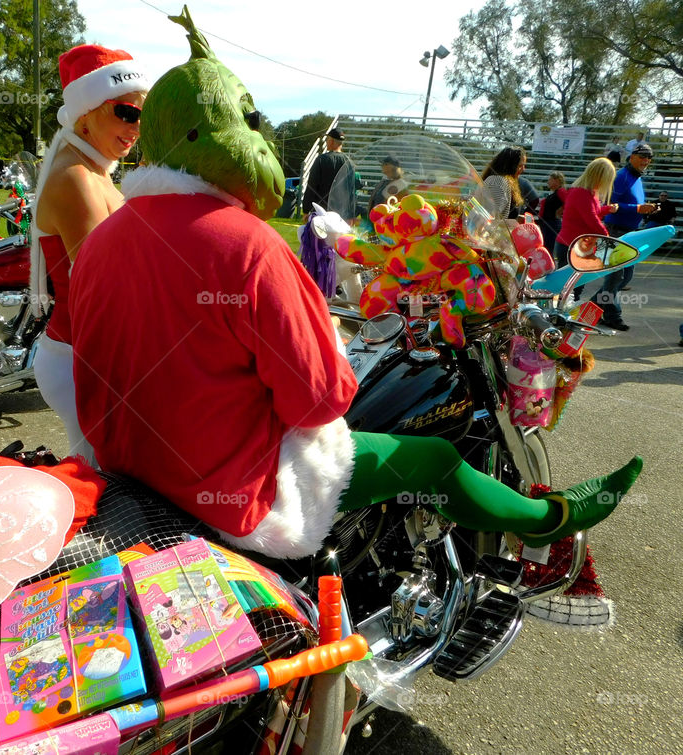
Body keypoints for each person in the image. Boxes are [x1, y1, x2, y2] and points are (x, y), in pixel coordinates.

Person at [69, 9, 641, 561]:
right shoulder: (247, 243)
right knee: (434, 460)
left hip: (124, 463)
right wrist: (333, 345)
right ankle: (553, 517)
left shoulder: (105, 235)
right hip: (231, 489)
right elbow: (320, 399)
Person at [29, 44, 149, 463]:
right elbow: (109, 286)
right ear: (86, 110)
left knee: (105, 476)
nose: (136, 127)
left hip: (85, 353)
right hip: (81, 358)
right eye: (126, 112)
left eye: (142, 116)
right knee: (104, 482)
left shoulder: (93, 171)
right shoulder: (76, 177)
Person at [593, 143, 658, 327]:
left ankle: (592, 307)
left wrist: (643, 209)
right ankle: (613, 316)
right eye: (642, 156)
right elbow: (609, 204)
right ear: (631, 157)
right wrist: (637, 208)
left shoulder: (637, 178)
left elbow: (630, 203)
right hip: (615, 230)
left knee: (625, 276)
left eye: (649, 158)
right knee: (616, 277)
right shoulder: (621, 177)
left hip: (629, 231)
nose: (646, 160)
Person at [554, 158, 617, 293]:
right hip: (571, 246)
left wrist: (607, 209)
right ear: (600, 176)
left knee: (573, 289)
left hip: (576, 245)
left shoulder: (587, 192)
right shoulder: (582, 193)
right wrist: (607, 238)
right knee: (571, 290)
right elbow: (592, 219)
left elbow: (593, 213)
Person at [301, 127, 356, 221]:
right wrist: (351, 215)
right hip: (341, 213)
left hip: (321, 211)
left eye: (327, 139)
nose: (326, 142)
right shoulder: (349, 163)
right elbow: (351, 190)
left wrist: (306, 210)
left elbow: (312, 185)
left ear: (331, 141)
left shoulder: (322, 159)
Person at [481, 146, 526, 221]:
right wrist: (515, 221)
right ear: (510, 165)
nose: (523, 169)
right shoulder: (497, 182)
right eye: (520, 166)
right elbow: (490, 220)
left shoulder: (501, 181)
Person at [538, 171, 566, 253]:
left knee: (548, 247)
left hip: (552, 224)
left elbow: (568, 202)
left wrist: (561, 211)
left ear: (556, 180)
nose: (548, 182)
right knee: (547, 246)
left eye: (550, 180)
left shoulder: (561, 191)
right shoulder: (555, 193)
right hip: (547, 224)